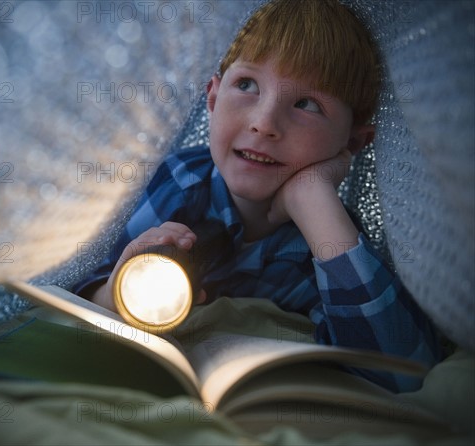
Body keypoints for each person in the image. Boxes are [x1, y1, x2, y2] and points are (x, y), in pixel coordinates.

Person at [72, 0, 441, 392]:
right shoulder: (180, 183)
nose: (264, 124)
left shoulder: (327, 239)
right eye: (246, 85)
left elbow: (404, 369)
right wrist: (113, 292)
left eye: (307, 105)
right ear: (212, 99)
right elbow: (80, 285)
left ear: (351, 142)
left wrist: (313, 199)